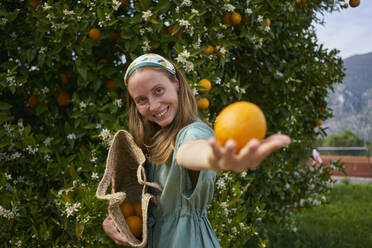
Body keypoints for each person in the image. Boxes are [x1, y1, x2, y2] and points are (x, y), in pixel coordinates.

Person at [102, 53, 291, 247]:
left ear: (176, 82)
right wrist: (117, 222)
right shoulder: (152, 142)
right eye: (142, 100)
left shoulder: (193, 131)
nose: (154, 105)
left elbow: (190, 152)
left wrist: (216, 159)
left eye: (158, 90)